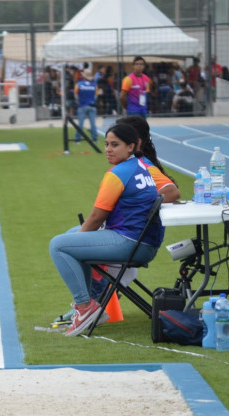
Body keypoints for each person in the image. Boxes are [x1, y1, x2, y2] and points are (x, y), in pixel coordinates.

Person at [49, 123, 164, 336]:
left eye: (115, 145)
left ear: (131, 146)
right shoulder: (144, 165)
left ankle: (86, 307)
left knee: (58, 245)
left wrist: (79, 240)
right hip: (143, 242)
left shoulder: (118, 173)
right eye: (107, 144)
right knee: (70, 237)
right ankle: (93, 302)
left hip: (129, 243)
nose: (108, 149)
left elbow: (96, 217)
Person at [74, 68, 98, 143]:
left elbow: (75, 95)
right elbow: (96, 96)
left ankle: (77, 139)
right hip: (92, 106)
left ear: (83, 76)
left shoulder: (78, 84)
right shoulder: (95, 85)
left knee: (80, 124)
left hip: (82, 106)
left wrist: (79, 101)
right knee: (93, 124)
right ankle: (95, 139)